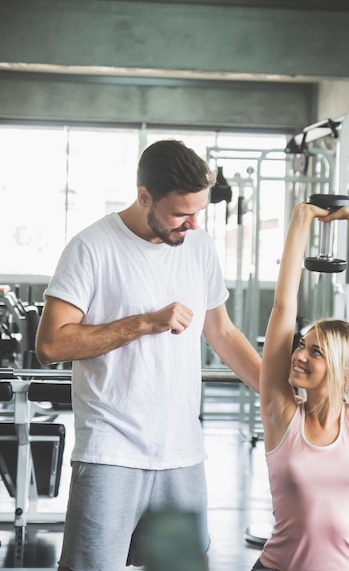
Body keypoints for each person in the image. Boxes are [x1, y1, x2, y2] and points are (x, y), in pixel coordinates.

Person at [35, 139, 261, 571]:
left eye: (200, 212)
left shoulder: (199, 245)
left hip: (181, 454)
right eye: (181, 214)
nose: (193, 224)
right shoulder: (91, 247)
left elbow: (223, 333)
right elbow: (51, 345)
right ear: (144, 197)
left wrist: (280, 393)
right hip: (111, 452)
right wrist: (145, 322)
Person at [251, 201, 349, 571]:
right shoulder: (281, 415)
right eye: (301, 344)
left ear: (345, 372)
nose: (298, 355)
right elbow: (282, 308)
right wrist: (299, 220)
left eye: (316, 352)